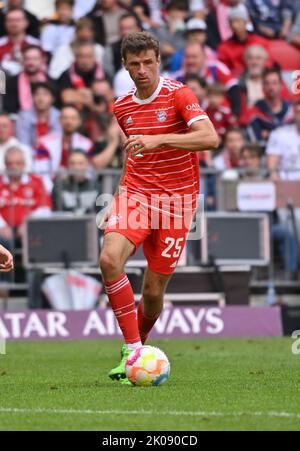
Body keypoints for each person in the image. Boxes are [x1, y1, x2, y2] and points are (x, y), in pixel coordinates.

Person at [99, 32, 219, 384]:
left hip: (176, 203)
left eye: (147, 62)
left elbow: (210, 138)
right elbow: (132, 153)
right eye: (134, 64)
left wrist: (160, 138)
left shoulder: (179, 95)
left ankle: (141, 346)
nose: (141, 70)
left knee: (152, 293)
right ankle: (133, 349)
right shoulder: (121, 106)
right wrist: (118, 195)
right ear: (125, 65)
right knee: (109, 260)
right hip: (136, 196)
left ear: (158, 61)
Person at [240, 143, 298, 279]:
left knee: (286, 233)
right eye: (246, 158)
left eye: (253, 157)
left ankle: (291, 273)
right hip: (243, 227)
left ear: (260, 159)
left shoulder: (270, 181)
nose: (249, 161)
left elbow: (280, 204)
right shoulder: (235, 179)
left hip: (268, 226)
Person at [0, 146, 51, 248]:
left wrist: (28, 223)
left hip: (30, 228)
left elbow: (45, 208)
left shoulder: (36, 181)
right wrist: (1, 226)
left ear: (23, 164)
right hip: (3, 231)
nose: (14, 167)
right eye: (10, 163)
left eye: (18, 163)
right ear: (5, 165)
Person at [34, 105, 93, 192]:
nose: (69, 121)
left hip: (78, 190)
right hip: (50, 189)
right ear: (59, 120)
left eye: (73, 118)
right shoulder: (44, 142)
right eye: (65, 118)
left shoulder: (87, 144)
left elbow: (89, 172)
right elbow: (41, 171)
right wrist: (52, 191)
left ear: (79, 121)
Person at [247, 68, 294, 145]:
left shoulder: (291, 110)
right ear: (263, 86)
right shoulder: (255, 112)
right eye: (267, 83)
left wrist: (269, 134)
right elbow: (255, 140)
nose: (271, 87)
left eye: (274, 83)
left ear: (281, 86)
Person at [3, 45, 50, 114]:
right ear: (22, 61)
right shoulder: (12, 82)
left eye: (35, 59)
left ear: (42, 60)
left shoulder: (50, 82)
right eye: (27, 59)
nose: (31, 63)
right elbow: (9, 108)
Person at [16, 82, 61, 150]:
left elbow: (57, 142)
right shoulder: (23, 117)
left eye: (45, 94)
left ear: (52, 99)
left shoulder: (59, 116)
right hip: (29, 156)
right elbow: (23, 144)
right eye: (37, 94)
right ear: (32, 98)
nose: (41, 99)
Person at [0, 8, 40, 76]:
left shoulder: (36, 45)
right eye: (10, 20)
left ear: (26, 22)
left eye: (18, 20)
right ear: (5, 23)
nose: (14, 24)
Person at [266, 100, 300, 180]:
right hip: (287, 185)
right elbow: (272, 168)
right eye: (298, 112)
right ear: (294, 114)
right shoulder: (279, 134)